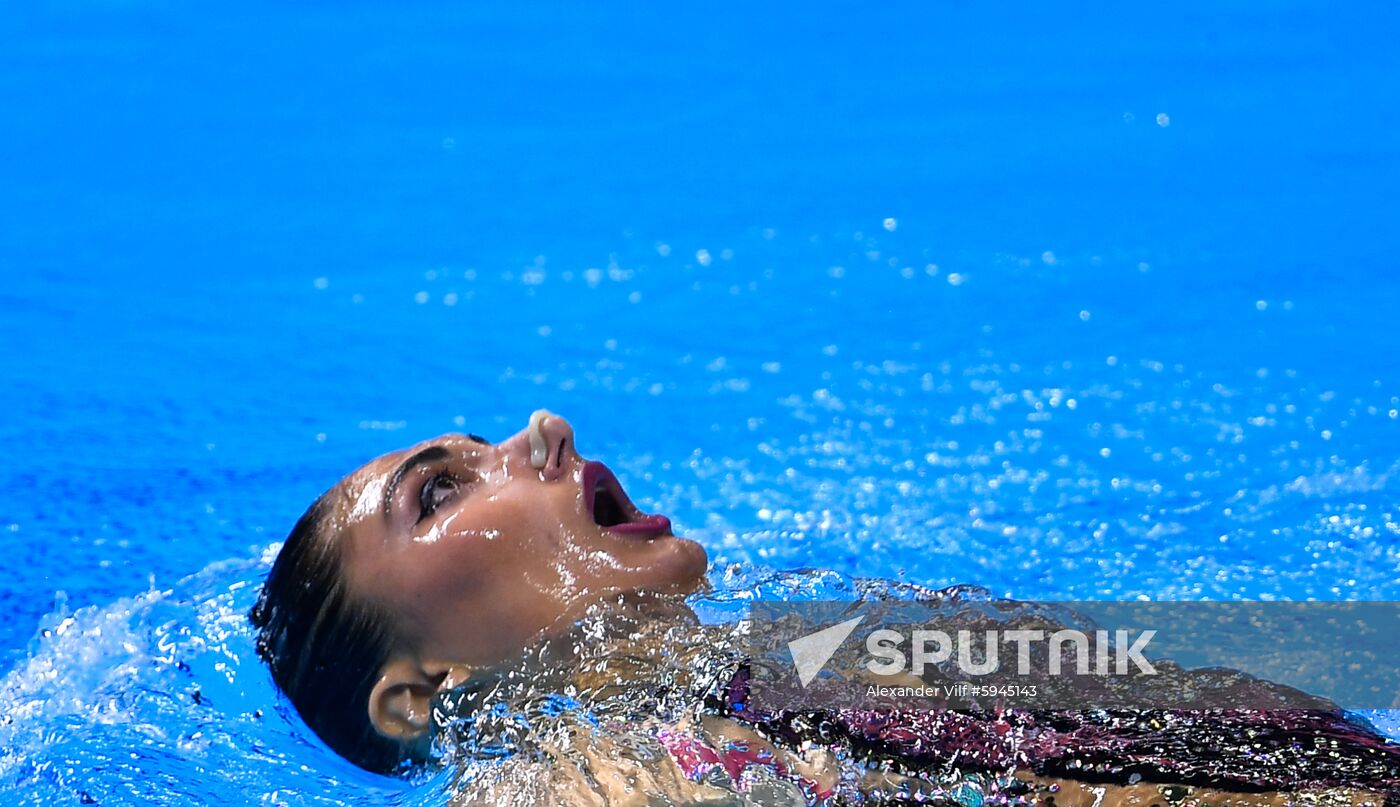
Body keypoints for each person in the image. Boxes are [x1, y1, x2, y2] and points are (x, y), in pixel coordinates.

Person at [251, 411, 1399, 805]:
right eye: (440, 492)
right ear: (417, 693)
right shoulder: (569, 783)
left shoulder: (807, 640)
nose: (540, 431)